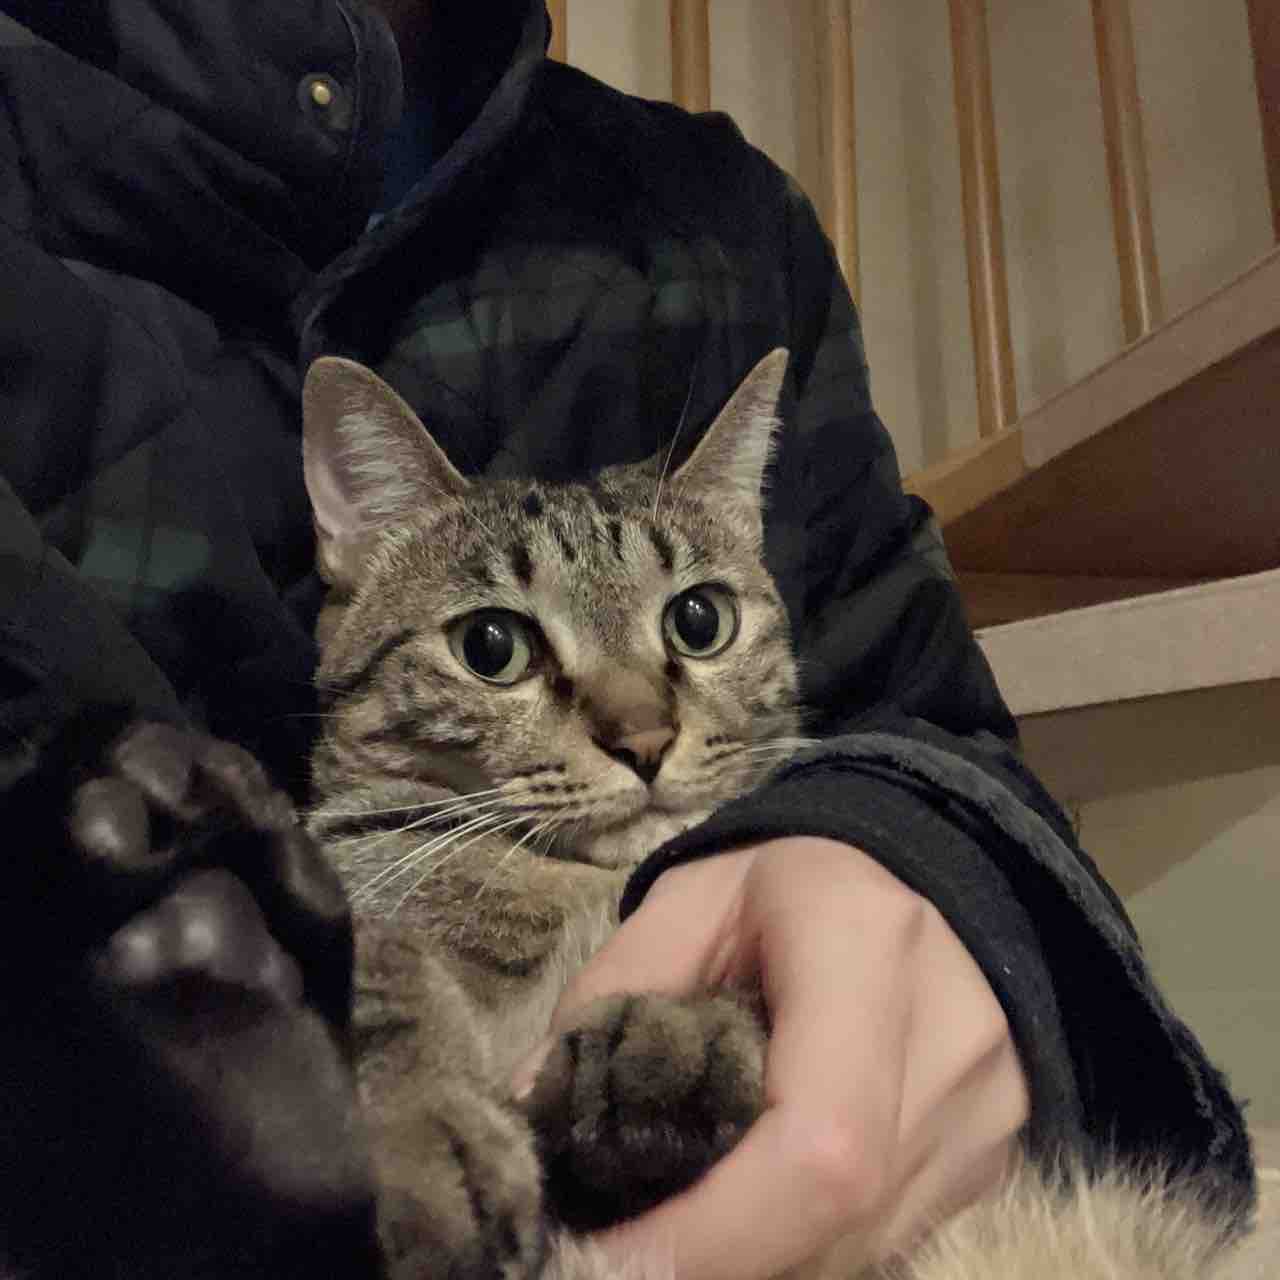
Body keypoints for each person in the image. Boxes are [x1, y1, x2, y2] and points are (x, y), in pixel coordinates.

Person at [0, 2, 1253, 1277]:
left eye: (694, 624)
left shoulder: (722, 223)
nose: (638, 725)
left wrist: (940, 861)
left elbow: (930, 732)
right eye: (497, 646)